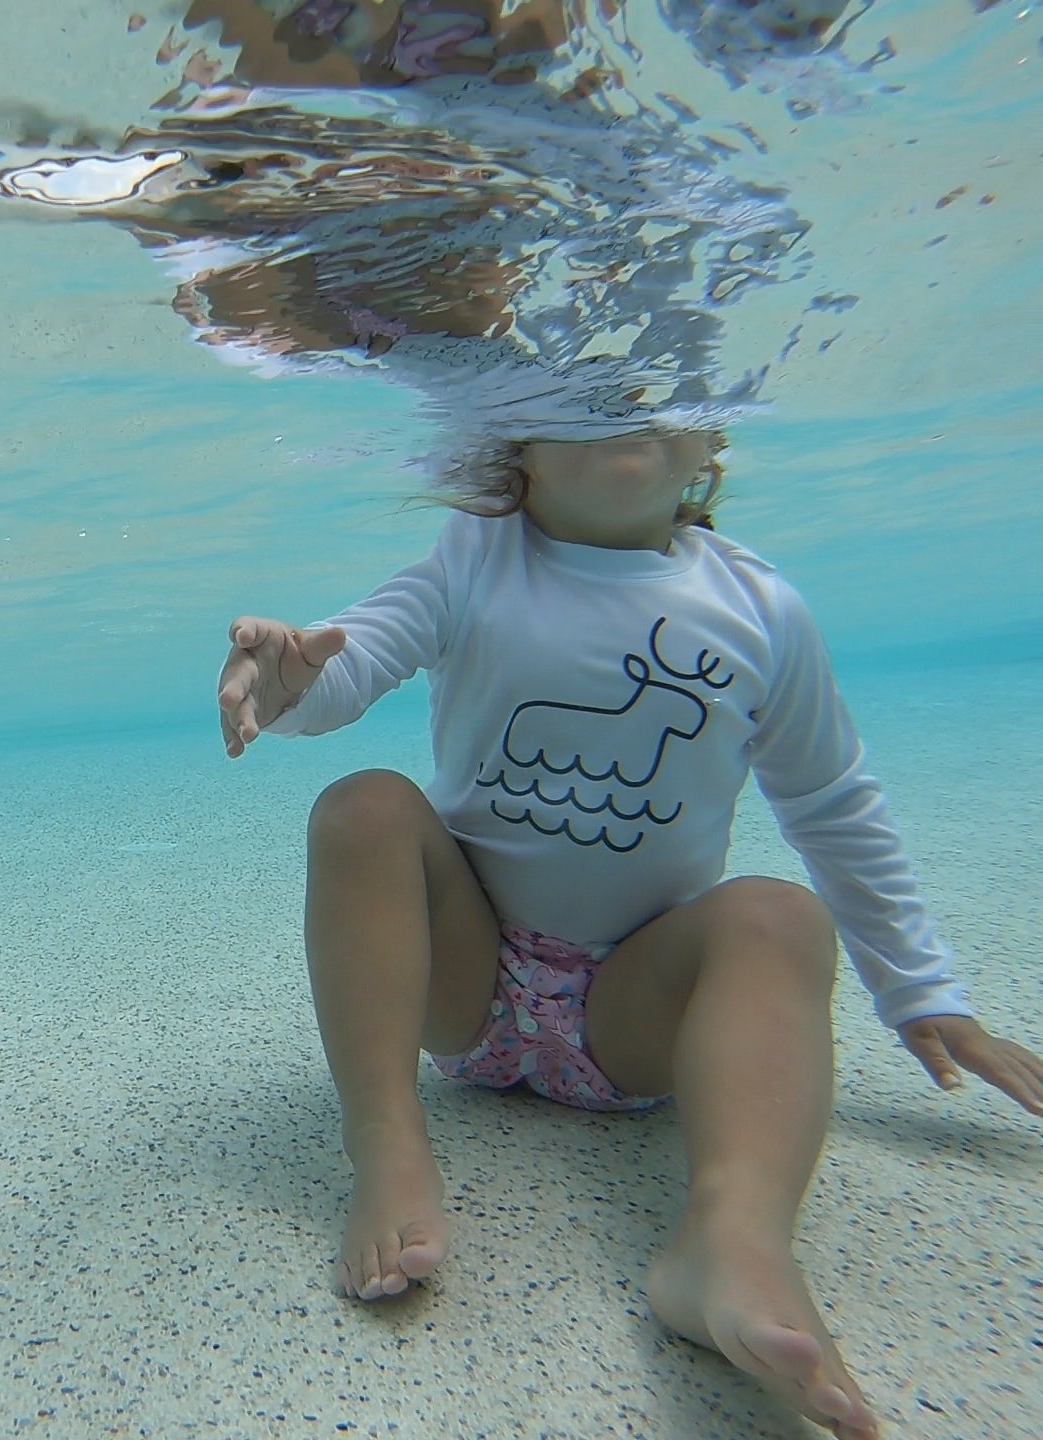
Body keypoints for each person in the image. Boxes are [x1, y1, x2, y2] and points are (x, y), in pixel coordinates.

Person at [215, 430, 1043, 1440]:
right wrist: (291, 680)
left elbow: (831, 804)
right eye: (582, 393)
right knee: (363, 810)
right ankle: (385, 1141)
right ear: (513, 438)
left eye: (655, 391)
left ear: (710, 438)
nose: (622, 411)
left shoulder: (761, 610)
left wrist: (920, 985)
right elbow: (353, 658)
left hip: (637, 1011)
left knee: (779, 915)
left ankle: (732, 1238)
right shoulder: (473, 558)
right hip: (465, 987)